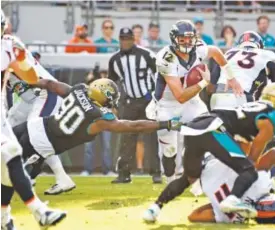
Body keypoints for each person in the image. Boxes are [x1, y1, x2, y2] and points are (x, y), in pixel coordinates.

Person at [143, 83, 275, 222]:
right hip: (214, 128)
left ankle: (154, 208)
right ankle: (232, 199)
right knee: (248, 170)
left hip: (195, 127)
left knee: (189, 177)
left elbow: (243, 145)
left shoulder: (253, 110)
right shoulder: (271, 120)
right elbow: (251, 159)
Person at [13, 78, 181, 183]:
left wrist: (28, 82)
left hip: (33, 125)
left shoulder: (78, 90)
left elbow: (50, 84)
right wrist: (164, 124)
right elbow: (134, 126)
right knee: (12, 179)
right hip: (40, 144)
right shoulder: (99, 118)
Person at [150, 19, 243, 183]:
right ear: (174, 39)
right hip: (168, 104)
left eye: (190, 39)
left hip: (191, 101)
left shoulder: (199, 48)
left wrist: (231, 77)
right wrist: (203, 83)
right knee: (170, 150)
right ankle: (171, 177)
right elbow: (180, 96)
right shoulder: (166, 58)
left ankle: (202, 169)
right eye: (182, 39)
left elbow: (216, 52)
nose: (187, 42)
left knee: (207, 128)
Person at [1, 10, 66, 229]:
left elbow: (30, 78)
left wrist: (21, 60)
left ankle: (12, 217)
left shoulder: (7, 46)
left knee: (10, 159)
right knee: (9, 158)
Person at [6, 50, 76, 195]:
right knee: (9, 128)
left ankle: (60, 178)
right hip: (31, 100)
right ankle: (27, 174)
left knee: (36, 133)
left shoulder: (7, 51)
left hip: (45, 93)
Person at [108, 27, 161, 184]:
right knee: (127, 139)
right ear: (119, 40)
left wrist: (155, 97)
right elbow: (111, 83)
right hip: (129, 103)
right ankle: (124, 174)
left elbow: (159, 76)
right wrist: (113, 104)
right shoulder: (115, 60)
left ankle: (156, 172)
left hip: (147, 102)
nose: (125, 42)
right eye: (123, 39)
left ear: (133, 39)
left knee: (151, 138)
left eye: (128, 38)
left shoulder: (147, 55)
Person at [210, 31, 275, 110]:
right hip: (241, 96)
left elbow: (211, 86)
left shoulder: (228, 53)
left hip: (218, 96)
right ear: (259, 45)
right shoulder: (266, 54)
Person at [82, 66, 113, 176]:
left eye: (105, 74)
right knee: (88, 147)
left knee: (107, 146)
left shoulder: (110, 89)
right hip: (92, 119)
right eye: (101, 74)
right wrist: (90, 78)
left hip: (105, 119)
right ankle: (87, 169)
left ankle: (108, 170)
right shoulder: (91, 88)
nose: (103, 76)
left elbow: (114, 106)